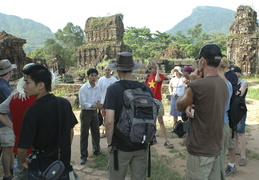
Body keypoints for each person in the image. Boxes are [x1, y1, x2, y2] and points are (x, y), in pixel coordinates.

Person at [176, 44, 228, 179]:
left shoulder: (198, 85)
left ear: (203, 61)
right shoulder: (223, 83)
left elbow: (179, 105)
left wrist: (191, 83)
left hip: (200, 147)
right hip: (216, 145)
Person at [17, 63, 78, 179]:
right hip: (62, 167)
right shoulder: (64, 103)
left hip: (42, 168)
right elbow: (70, 132)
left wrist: (22, 161)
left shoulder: (32, 111)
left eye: (27, 82)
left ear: (40, 85)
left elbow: (22, 149)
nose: (24, 87)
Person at [104, 52, 153, 180]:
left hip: (120, 146)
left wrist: (109, 143)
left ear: (118, 69)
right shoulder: (146, 89)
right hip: (141, 143)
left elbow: (109, 121)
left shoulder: (113, 89)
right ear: (132, 68)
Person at [0, 74, 37, 180]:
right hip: (41, 147)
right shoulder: (41, 98)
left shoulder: (14, 97)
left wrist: (13, 127)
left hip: (21, 145)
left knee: (21, 174)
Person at [79, 68, 104, 165]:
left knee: (96, 132)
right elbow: (84, 103)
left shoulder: (98, 87)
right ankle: (83, 155)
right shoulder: (84, 88)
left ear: (97, 76)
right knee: (84, 134)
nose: (93, 77)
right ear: (88, 76)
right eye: (91, 75)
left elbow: (99, 98)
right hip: (86, 112)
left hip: (94, 112)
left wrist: (99, 104)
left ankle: (96, 150)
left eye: (95, 75)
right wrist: (95, 105)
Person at [145, 61, 173, 149]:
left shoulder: (160, 75)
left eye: (151, 68)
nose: (150, 70)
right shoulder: (148, 77)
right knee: (150, 120)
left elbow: (157, 80)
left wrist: (157, 70)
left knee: (160, 120)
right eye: (148, 69)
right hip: (150, 100)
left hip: (157, 100)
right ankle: (151, 138)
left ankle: (165, 139)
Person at [0, 59, 16, 180]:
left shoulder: (4, 85)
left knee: (9, 147)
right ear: (9, 72)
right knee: (7, 149)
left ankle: (12, 169)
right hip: (5, 122)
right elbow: (12, 105)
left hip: (5, 122)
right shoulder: (3, 87)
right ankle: (7, 174)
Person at [217, 57, 233, 180]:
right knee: (220, 158)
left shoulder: (218, 84)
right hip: (225, 123)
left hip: (217, 124)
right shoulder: (228, 83)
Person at [234, 66, 248, 166]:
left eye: (235, 72)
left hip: (240, 110)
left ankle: (243, 156)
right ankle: (236, 150)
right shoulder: (232, 83)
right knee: (234, 132)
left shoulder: (244, 82)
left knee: (241, 133)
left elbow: (241, 93)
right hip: (233, 110)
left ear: (239, 73)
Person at [98, 65, 118, 138]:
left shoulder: (114, 80)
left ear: (111, 70)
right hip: (103, 102)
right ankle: (105, 132)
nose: (107, 71)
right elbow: (99, 91)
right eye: (106, 70)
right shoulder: (101, 80)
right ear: (104, 71)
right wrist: (99, 101)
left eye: (108, 70)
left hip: (112, 102)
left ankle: (112, 132)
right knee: (104, 117)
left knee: (112, 118)